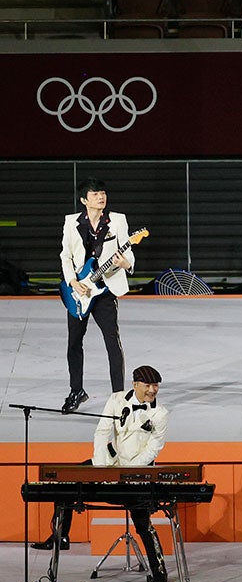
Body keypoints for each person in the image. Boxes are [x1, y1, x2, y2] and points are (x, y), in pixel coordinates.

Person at [33, 364, 170, 582]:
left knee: (143, 523)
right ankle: (61, 537)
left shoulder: (160, 414)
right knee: (66, 483)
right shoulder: (116, 400)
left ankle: (159, 572)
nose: (153, 390)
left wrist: (125, 473)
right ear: (135, 384)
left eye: (156, 386)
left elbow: (153, 449)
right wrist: (103, 468)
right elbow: (102, 431)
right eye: (148, 385)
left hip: (136, 472)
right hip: (108, 462)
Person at [59, 177, 133, 413]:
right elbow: (66, 255)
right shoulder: (71, 222)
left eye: (103, 193)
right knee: (74, 343)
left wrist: (126, 263)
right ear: (84, 200)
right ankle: (76, 391)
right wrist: (72, 281)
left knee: (112, 343)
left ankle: (118, 398)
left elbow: (128, 251)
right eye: (95, 194)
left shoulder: (117, 220)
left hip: (105, 290)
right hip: (79, 290)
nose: (101, 197)